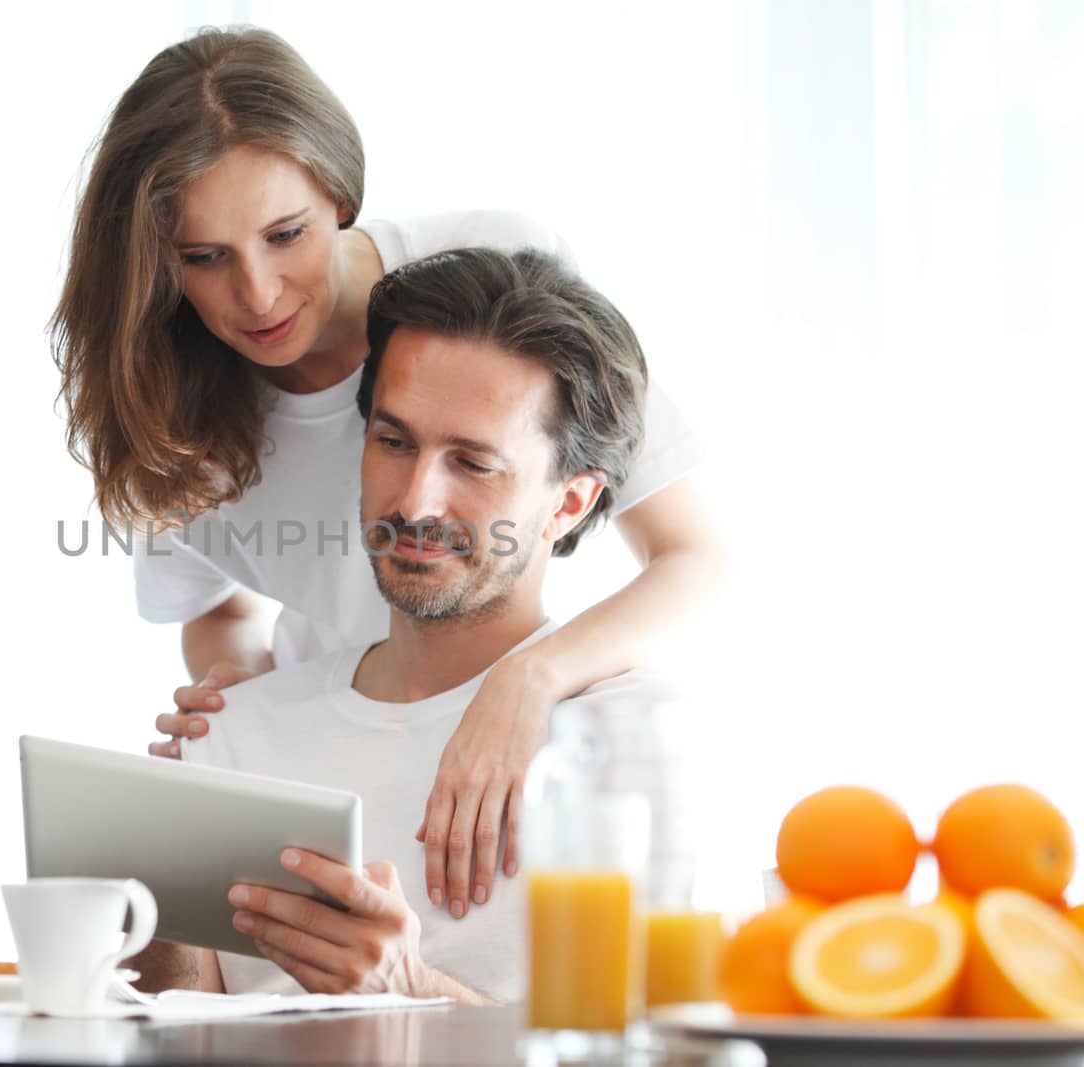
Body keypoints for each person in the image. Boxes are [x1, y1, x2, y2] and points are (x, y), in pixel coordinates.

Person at [50, 27, 724, 919]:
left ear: (338, 194)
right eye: (204, 257)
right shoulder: (173, 409)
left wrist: (525, 683)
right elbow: (216, 606)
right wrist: (247, 715)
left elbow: (697, 556)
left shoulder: (490, 283)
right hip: (331, 782)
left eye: (285, 235)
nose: (257, 294)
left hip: (502, 734)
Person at [132, 247, 685, 1002]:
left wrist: (411, 992)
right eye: (394, 442)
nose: (416, 502)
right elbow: (176, 1021)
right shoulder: (240, 734)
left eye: (473, 463)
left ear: (569, 504)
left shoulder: (633, 742)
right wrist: (144, 887)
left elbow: (653, 1054)